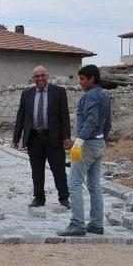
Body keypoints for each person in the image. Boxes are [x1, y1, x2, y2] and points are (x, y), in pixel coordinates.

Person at [58, 64, 112, 237]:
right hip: (98, 144)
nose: (80, 82)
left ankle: (77, 224)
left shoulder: (89, 96)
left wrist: (79, 141)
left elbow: (91, 120)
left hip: (87, 144)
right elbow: (108, 123)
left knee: (74, 183)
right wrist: (103, 139)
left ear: (92, 79)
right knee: (94, 185)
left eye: (82, 79)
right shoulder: (105, 95)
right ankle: (96, 223)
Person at [12, 65, 72, 208]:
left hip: (54, 137)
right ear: (33, 79)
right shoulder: (27, 93)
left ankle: (63, 198)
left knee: (58, 169)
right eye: (36, 76)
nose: (40, 79)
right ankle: (39, 198)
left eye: (42, 75)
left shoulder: (59, 92)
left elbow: (64, 115)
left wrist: (66, 136)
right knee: (37, 170)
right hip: (34, 137)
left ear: (47, 76)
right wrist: (16, 137)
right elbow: (21, 116)